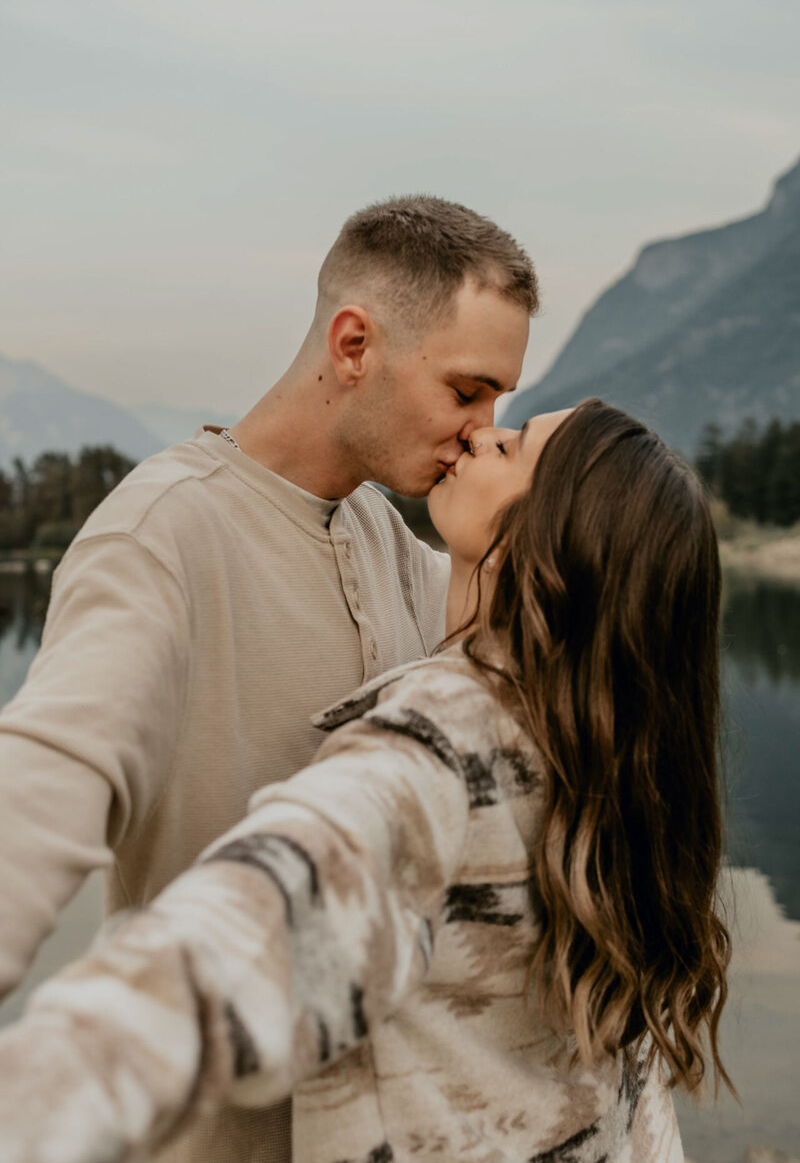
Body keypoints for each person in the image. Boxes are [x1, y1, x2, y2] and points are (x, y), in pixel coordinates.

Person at [0, 399, 731, 1163]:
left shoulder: (442, 743)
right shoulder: (609, 761)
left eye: (512, 447)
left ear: (552, 538)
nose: (482, 431)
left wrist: (37, 1102)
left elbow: (258, 925)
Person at [0, 196, 537, 1163]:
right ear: (354, 343)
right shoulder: (160, 535)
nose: (479, 432)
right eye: (467, 391)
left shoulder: (385, 533)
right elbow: (38, 788)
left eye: (499, 403)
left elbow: (496, 685)